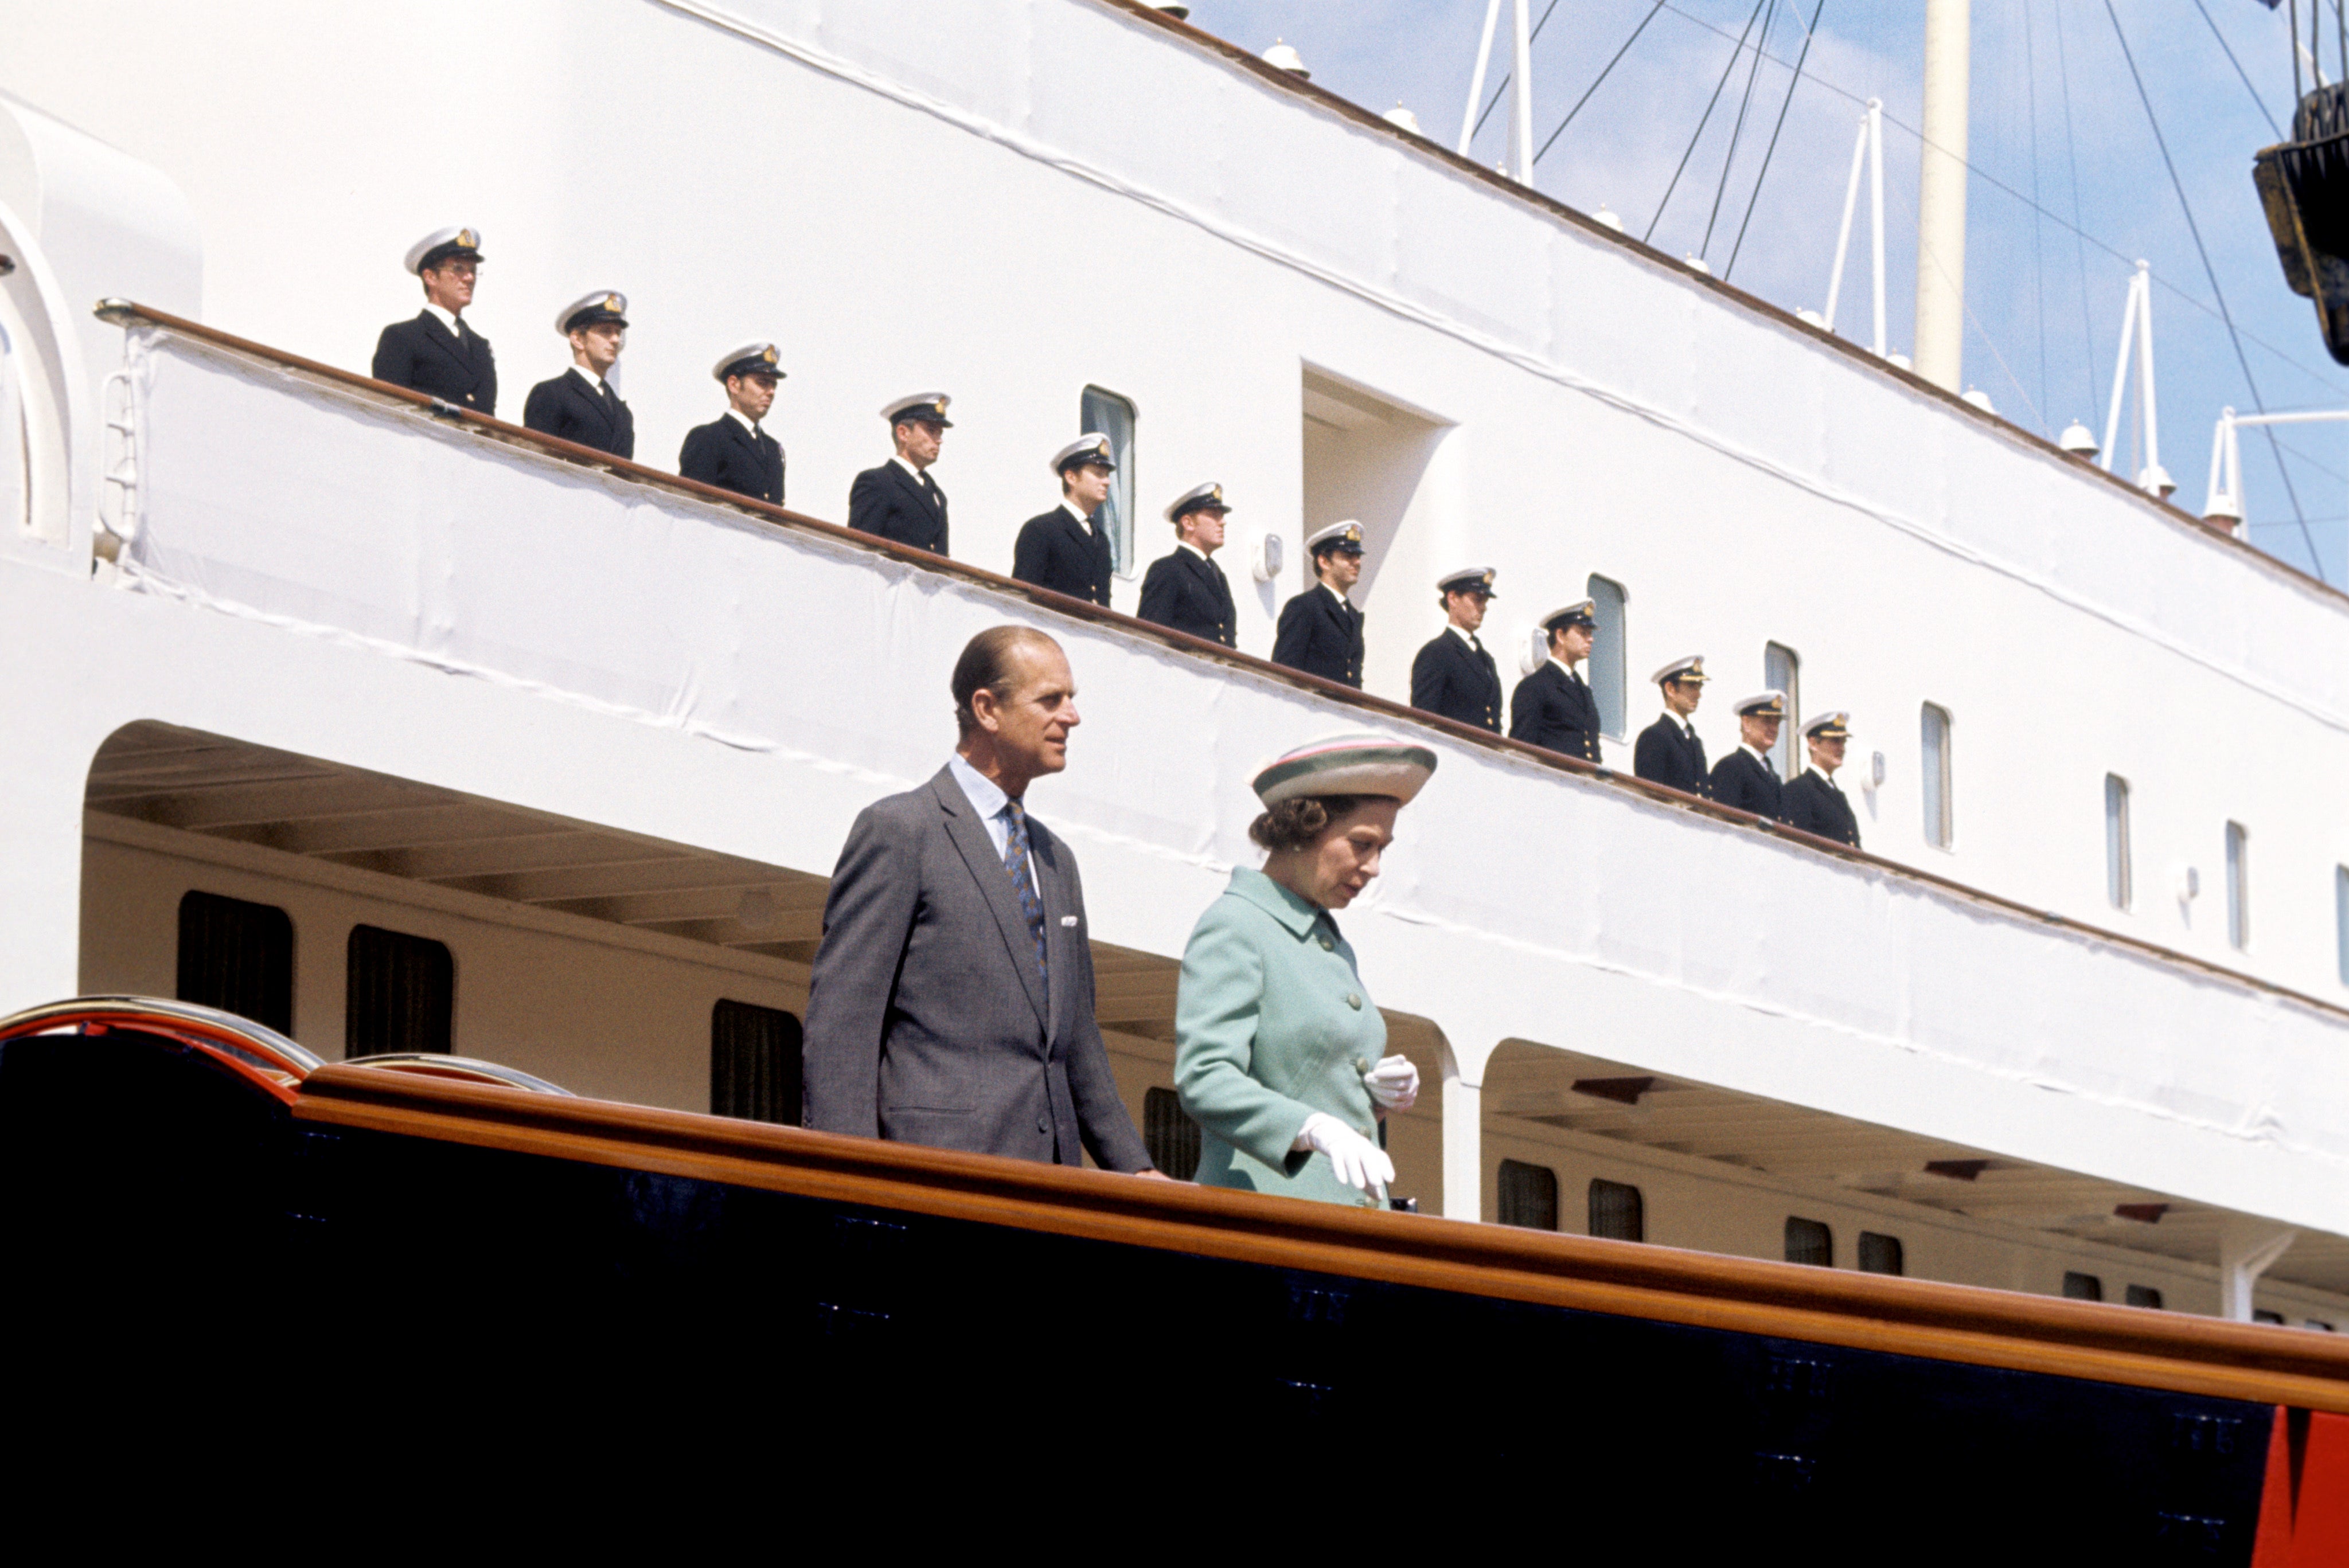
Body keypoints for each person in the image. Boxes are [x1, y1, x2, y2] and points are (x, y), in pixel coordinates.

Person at [801, 625, 1158, 1174]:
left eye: (1072, 700)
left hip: (1050, 1189)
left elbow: (1077, 1042)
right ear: (987, 709)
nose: (1072, 717)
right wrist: (847, 1184)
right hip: (938, 1184)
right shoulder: (901, 831)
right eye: (1050, 700)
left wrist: (1136, 1169)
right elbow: (842, 1028)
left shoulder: (1056, 860)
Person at [1174, 734, 1437, 1207]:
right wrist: (1310, 1127)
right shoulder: (1236, 925)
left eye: (1383, 848)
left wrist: (1375, 1096)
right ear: (1301, 828)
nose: (1374, 867)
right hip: (1265, 1222)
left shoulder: (1328, 941)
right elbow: (1205, 1076)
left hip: (1340, 1222)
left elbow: (1306, 1076)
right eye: (1362, 843)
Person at [370, 226, 497, 415]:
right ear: (430, 277)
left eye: (472, 270)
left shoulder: (480, 347)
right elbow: (389, 411)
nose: (469, 278)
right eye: (458, 269)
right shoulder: (402, 337)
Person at [522, 291, 634, 459]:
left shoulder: (622, 413)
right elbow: (535, 461)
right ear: (578, 340)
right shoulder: (552, 394)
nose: (615, 340)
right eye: (605, 331)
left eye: (618, 332)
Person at [1012, 435, 1117, 605]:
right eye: (1098, 474)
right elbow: (1023, 598)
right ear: (1071, 478)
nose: (1107, 482)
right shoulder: (1042, 530)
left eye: (1107, 475)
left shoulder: (1101, 540)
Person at [677, 341, 785, 505]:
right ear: (734, 385)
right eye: (762, 383)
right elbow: (691, 507)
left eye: (774, 385)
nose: (771, 392)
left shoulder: (773, 450)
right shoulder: (709, 438)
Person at [846, 393, 952, 556]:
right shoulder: (877, 482)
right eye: (931, 431)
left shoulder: (937, 496)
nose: (939, 440)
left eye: (940, 433)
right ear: (903, 433)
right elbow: (859, 551)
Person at [1136, 482, 1237, 647]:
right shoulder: (1168, 569)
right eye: (1213, 515)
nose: (1223, 522)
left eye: (1222, 515)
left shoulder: (1218, 577)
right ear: (1188, 523)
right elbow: (1149, 637)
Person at [1271, 522, 1367, 687]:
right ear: (1324, 562)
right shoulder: (1305, 607)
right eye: (1347, 556)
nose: (1357, 562)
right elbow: (1284, 671)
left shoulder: (1352, 616)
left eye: (1357, 556)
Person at [1508, 600, 1603, 764]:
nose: (1591, 640)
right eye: (1583, 633)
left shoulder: (1583, 691)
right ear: (1560, 636)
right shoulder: (1535, 687)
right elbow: (1522, 748)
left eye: (1590, 633)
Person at [1408, 566, 1502, 732]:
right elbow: (1424, 717)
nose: (1483, 608)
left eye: (1485, 601)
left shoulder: (1486, 659)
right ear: (1453, 599)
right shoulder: (1437, 652)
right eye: (1477, 599)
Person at [1633, 655, 1711, 796]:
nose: (1698, 694)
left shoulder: (1695, 742)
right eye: (1692, 687)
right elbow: (1651, 796)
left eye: (1699, 687)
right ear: (1671, 689)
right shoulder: (1655, 737)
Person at [1781, 711, 1862, 847]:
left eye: (1843, 742)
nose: (1842, 748)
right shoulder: (1799, 789)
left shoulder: (1837, 795)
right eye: (1835, 741)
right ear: (1813, 743)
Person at [1710, 691, 1789, 820]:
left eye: (1776, 723)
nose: (1774, 729)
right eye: (1767, 721)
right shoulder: (1731, 767)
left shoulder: (1773, 776)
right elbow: (1723, 822)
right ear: (1746, 723)